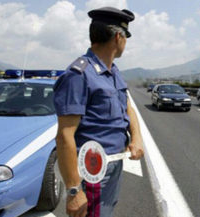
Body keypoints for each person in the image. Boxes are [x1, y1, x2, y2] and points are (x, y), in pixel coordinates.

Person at [53, 7, 144, 217]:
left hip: (112, 165)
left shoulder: (112, 71)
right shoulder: (78, 75)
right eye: (126, 36)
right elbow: (64, 136)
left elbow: (127, 106)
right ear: (118, 37)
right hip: (92, 172)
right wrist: (74, 190)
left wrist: (136, 137)